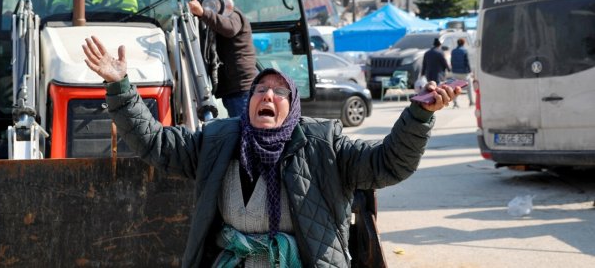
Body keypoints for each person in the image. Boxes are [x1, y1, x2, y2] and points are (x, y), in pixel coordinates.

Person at [81, 34, 460, 267]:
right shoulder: (218, 140)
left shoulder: (322, 143)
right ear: (248, 103)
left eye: (280, 92)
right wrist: (121, 88)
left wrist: (418, 116)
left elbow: (388, 164)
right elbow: (155, 143)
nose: (268, 96)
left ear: (292, 106)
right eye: (261, 90)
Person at [186, 0, 257, 117]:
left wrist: (202, 13)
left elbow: (229, 28)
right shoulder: (223, 16)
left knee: (243, 130)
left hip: (241, 87)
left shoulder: (234, 15)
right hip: (234, 88)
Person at [449, 38, 474, 108]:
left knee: (455, 88)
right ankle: (471, 102)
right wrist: (470, 71)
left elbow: (451, 61)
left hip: (455, 72)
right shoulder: (465, 51)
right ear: (463, 43)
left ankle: (455, 103)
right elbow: (467, 62)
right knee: (469, 87)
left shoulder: (453, 51)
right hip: (464, 73)